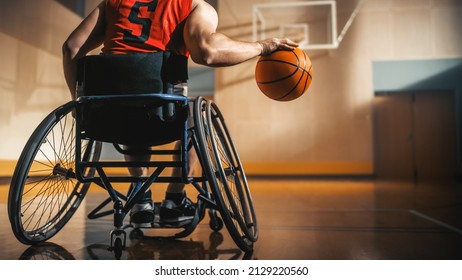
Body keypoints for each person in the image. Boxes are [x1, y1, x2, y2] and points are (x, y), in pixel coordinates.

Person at [62, 0, 298, 227]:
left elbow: (71, 47)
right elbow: (207, 52)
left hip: (108, 116)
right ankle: (174, 200)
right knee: (199, 113)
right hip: (162, 116)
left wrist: (80, 103)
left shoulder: (113, 3)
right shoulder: (193, 6)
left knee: (131, 105)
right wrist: (262, 46)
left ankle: (140, 198)